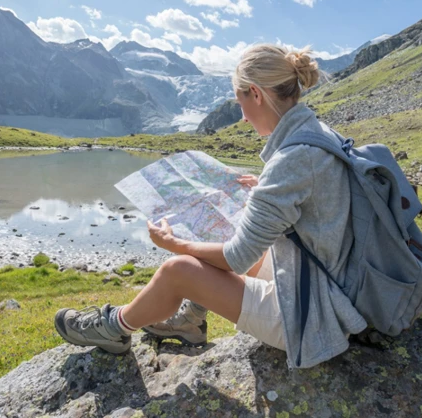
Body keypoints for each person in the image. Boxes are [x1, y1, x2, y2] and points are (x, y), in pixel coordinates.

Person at [54, 44, 367, 369]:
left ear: (256, 94)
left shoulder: (292, 159)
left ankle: (114, 328)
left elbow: (237, 258)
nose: (243, 117)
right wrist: (265, 188)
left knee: (178, 269)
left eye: (240, 102)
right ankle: (190, 318)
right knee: (230, 232)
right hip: (335, 284)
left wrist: (173, 244)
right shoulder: (316, 134)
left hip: (313, 316)